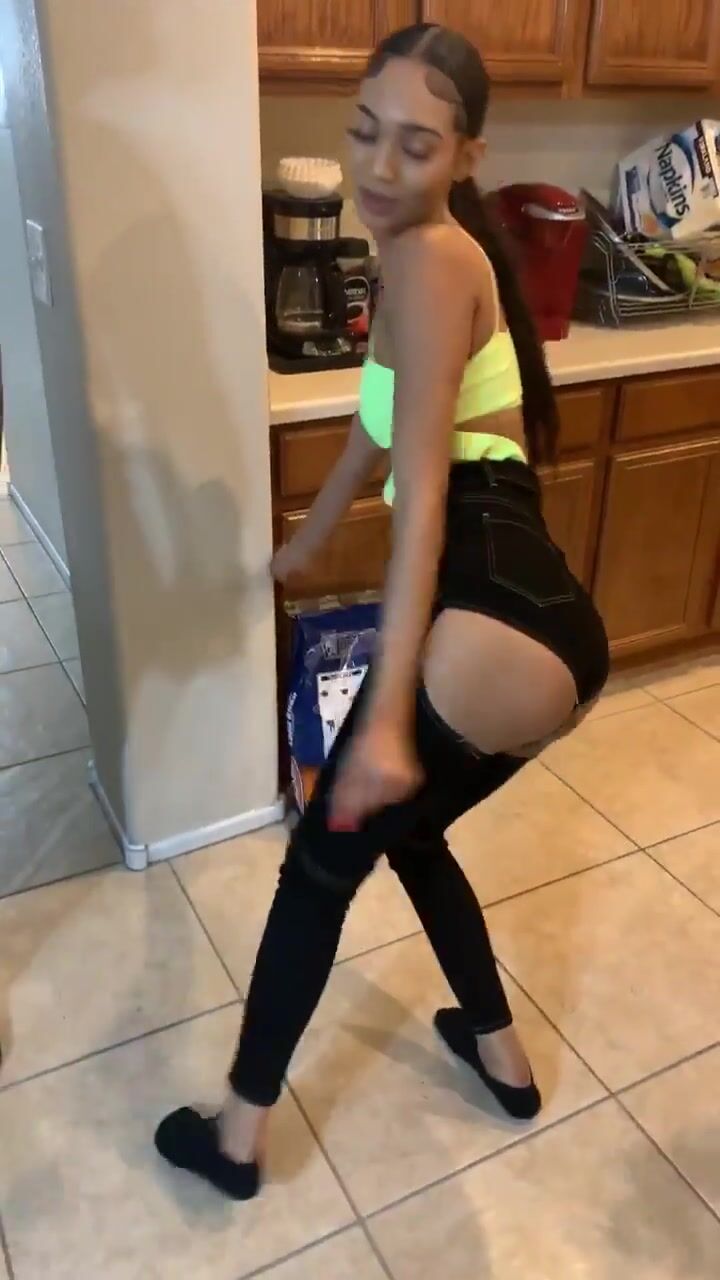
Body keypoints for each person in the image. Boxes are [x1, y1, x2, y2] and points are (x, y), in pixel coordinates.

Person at [155, 23, 609, 1200]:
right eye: (365, 131)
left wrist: (393, 715)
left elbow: (425, 517)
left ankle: (237, 1134)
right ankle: (501, 1055)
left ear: (465, 155)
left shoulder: (429, 264)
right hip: (537, 622)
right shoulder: (428, 258)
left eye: (416, 143)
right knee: (408, 833)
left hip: (486, 607)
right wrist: (305, 543)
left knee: (318, 866)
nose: (378, 163)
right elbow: (381, 431)